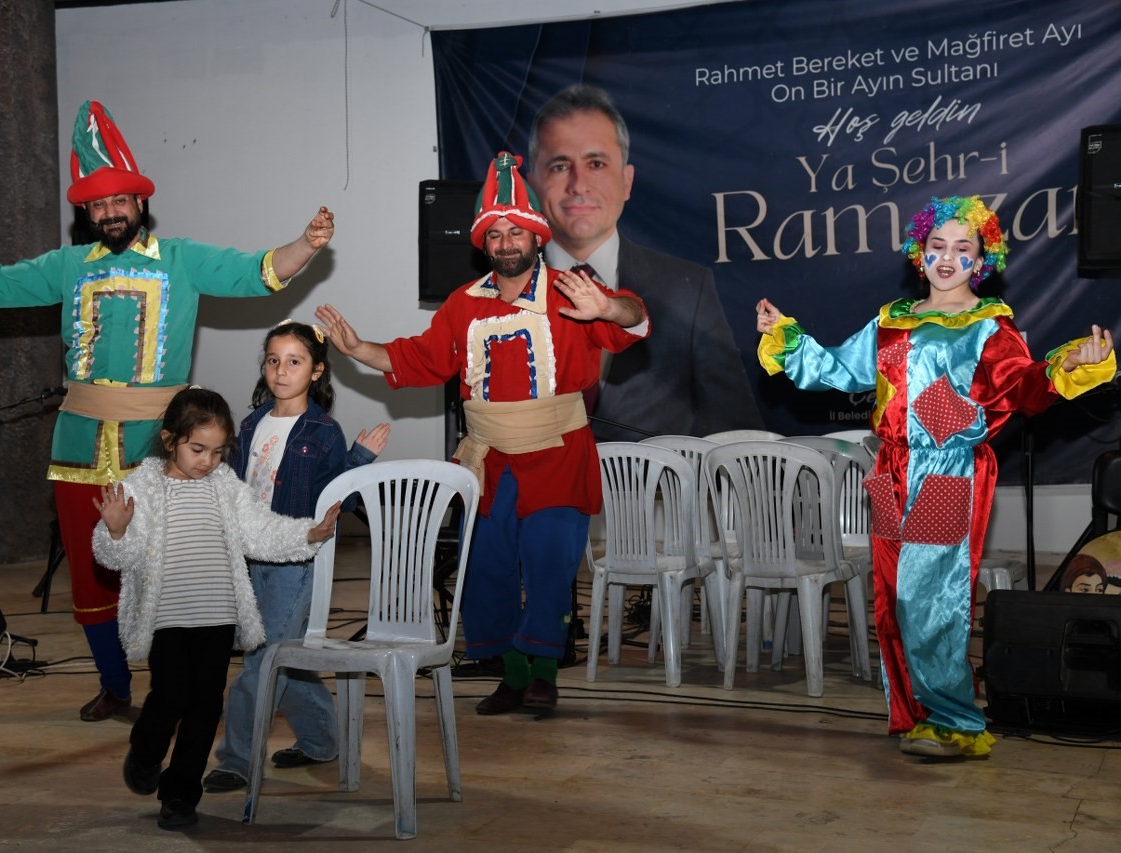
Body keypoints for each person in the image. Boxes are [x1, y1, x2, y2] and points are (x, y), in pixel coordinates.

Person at [0, 100, 334, 722]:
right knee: (92, 577)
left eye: (119, 201)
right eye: (97, 204)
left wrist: (307, 244)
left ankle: (171, 688)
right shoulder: (67, 267)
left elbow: (260, 272)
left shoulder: (180, 259)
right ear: (86, 211)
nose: (109, 212)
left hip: (162, 450)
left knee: (171, 573)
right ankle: (114, 683)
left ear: (139, 203)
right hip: (78, 445)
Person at [755, 195, 1116, 759]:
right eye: (937, 246)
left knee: (933, 598)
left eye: (962, 249)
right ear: (919, 255)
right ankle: (915, 713)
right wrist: (788, 336)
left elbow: (1024, 386)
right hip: (889, 467)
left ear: (982, 262)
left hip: (947, 470)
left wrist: (1070, 364)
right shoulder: (891, 319)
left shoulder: (988, 328)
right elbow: (838, 371)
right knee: (893, 596)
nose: (948, 257)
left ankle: (956, 723)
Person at [317, 151, 648, 714]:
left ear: (537, 235)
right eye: (494, 234)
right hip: (488, 460)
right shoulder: (462, 305)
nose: (506, 242)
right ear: (483, 243)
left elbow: (634, 320)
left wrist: (607, 308)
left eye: (516, 230)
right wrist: (357, 350)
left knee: (548, 565)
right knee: (486, 569)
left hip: (558, 451)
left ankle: (544, 673)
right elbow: (419, 358)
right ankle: (512, 675)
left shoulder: (574, 289)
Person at [91, 387, 341, 830]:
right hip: (167, 617)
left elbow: (260, 531)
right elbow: (117, 559)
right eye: (197, 449)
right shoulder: (140, 488)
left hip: (219, 616)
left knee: (205, 706)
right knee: (172, 695)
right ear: (170, 440)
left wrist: (308, 534)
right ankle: (147, 749)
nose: (207, 460)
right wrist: (114, 532)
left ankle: (180, 794)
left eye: (218, 451)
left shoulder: (225, 486)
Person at [202, 321, 390, 793]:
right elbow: (235, 489)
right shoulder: (250, 424)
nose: (281, 371)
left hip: (296, 559)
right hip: (250, 555)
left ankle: (238, 760)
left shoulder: (323, 432)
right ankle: (322, 741)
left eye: (294, 361)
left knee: (263, 659)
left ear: (316, 371)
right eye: (273, 360)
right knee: (288, 657)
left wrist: (358, 460)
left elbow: (338, 501)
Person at [527, 84, 762, 440]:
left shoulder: (688, 289)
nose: (579, 185)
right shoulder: (499, 293)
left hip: (656, 495)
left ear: (626, 181)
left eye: (596, 163)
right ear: (533, 186)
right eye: (560, 166)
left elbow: (736, 430)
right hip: (541, 492)